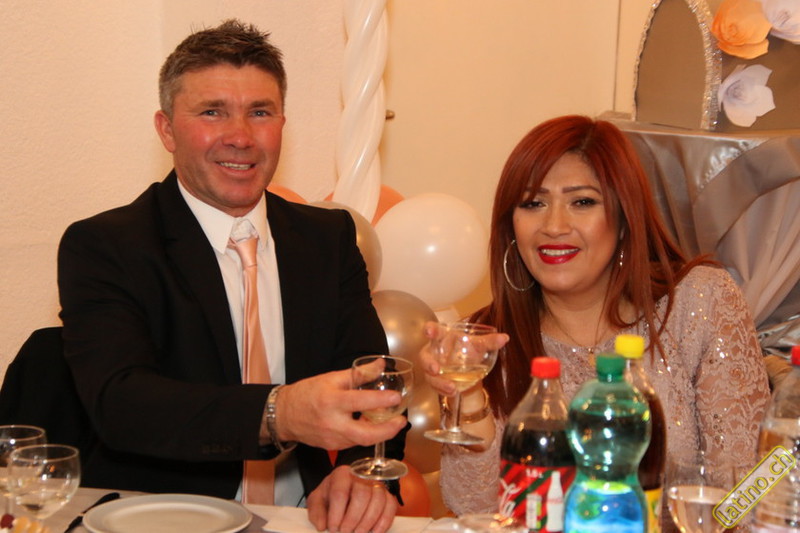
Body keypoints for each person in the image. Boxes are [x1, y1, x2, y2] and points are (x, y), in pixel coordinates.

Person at [57, 19, 406, 533]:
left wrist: (363, 473)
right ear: (166, 129)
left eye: (259, 112)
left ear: (282, 123)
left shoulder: (327, 239)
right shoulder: (107, 245)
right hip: (162, 519)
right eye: (212, 112)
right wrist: (278, 412)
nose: (240, 137)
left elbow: (373, 381)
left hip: (305, 519)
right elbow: (122, 404)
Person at [421, 115, 771, 526]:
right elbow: (477, 509)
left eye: (582, 202)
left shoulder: (700, 301)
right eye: (533, 203)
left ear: (624, 219)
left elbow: (752, 481)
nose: (554, 226)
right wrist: (468, 398)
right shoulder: (485, 344)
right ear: (511, 226)